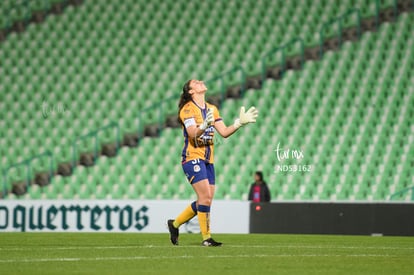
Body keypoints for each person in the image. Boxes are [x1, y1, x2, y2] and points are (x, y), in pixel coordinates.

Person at [167, 79, 258, 246]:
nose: (200, 81)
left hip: (208, 160)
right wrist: (203, 125)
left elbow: (223, 132)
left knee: (206, 199)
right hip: (192, 157)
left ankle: (174, 224)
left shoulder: (212, 109)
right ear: (191, 91)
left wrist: (239, 123)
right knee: (205, 197)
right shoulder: (187, 109)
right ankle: (206, 238)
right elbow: (193, 133)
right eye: (196, 82)